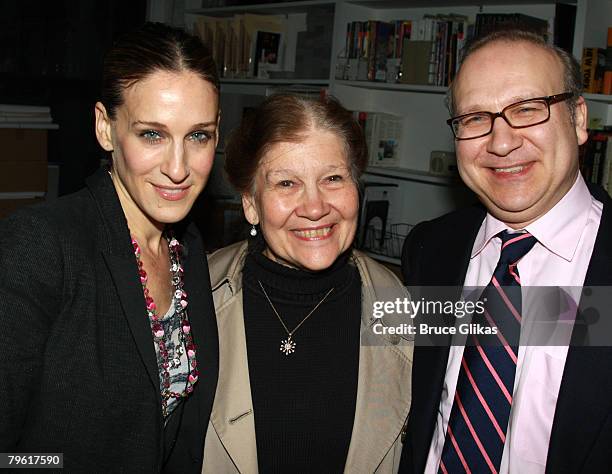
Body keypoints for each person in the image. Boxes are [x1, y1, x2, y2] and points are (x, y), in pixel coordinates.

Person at [0, 23, 220, 473]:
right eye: (152, 134)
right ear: (105, 127)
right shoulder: (42, 245)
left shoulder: (188, 248)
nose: (178, 169)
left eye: (198, 136)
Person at [399, 29, 612, 473]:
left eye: (528, 109)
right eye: (475, 118)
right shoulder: (430, 248)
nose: (500, 142)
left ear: (577, 119)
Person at [202, 93, 413, 473]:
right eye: (286, 183)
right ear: (250, 203)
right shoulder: (190, 297)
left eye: (333, 178)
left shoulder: (406, 308)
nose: (315, 207)